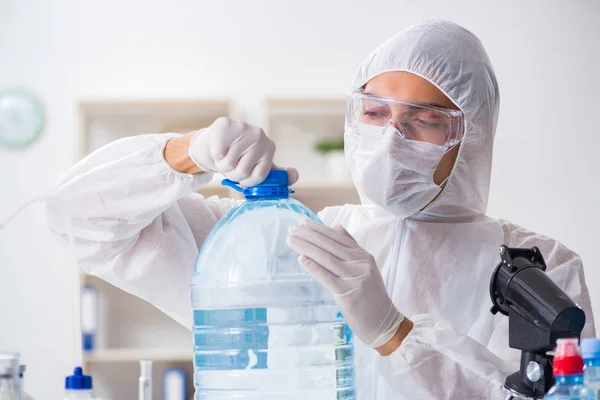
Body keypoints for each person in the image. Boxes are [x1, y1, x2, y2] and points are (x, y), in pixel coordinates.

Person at [46, 20, 595, 399]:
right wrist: (185, 154)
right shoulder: (283, 242)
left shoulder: (540, 268)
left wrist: (395, 333)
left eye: (424, 120)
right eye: (374, 112)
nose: (390, 138)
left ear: (470, 138)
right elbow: (79, 219)